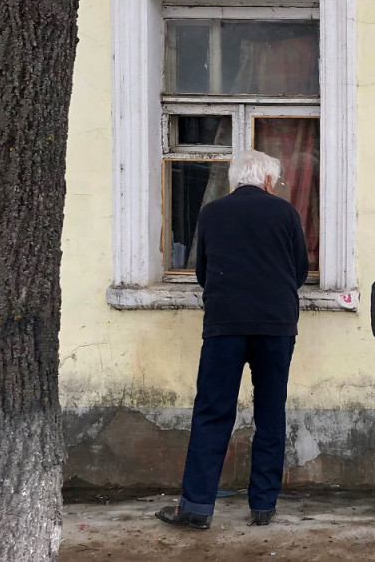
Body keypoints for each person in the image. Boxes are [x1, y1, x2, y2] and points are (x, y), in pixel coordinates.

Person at [156, 150, 309, 530]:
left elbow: (203, 272)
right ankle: (263, 505)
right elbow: (300, 271)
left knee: (212, 410)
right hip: (276, 326)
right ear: (268, 181)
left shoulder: (212, 213)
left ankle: (196, 506)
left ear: (234, 180)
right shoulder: (286, 214)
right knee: (270, 410)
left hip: (224, 325)